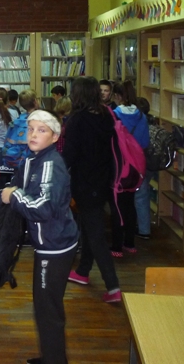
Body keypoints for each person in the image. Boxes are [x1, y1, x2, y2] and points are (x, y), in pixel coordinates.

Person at [0, 110, 78, 364]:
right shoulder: (31, 159)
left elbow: (43, 208)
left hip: (55, 246)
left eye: (42, 130)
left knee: (48, 308)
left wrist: (14, 196)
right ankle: (51, 356)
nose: (33, 135)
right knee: (43, 305)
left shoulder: (51, 165)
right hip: (46, 243)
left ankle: (55, 360)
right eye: (30, 129)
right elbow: (13, 186)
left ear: (55, 137)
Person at [63, 77, 122, 304]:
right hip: (104, 181)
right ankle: (83, 271)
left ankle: (113, 286)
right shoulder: (106, 115)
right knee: (89, 226)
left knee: (96, 234)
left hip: (85, 183)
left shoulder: (77, 120)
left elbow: (69, 155)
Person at [110, 80, 150, 256]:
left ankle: (116, 246)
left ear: (117, 96)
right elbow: (145, 142)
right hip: (137, 166)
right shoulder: (142, 116)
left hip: (119, 166)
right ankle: (130, 243)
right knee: (131, 204)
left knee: (117, 206)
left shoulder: (114, 115)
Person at [134, 97, 155, 240]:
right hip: (152, 163)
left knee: (140, 196)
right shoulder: (153, 122)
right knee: (144, 195)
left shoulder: (139, 123)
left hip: (140, 162)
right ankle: (143, 227)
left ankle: (143, 229)